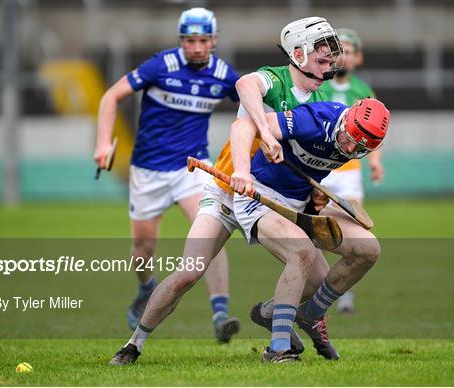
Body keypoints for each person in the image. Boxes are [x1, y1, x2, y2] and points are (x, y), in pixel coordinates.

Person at [107, 16, 344, 367]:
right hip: (227, 190)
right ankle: (134, 344)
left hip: (271, 200)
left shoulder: (323, 98)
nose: (328, 65)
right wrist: (264, 129)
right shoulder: (272, 79)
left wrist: (316, 193)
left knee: (319, 280)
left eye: (330, 60)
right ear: (297, 54)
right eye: (321, 59)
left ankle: (269, 314)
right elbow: (247, 84)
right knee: (189, 271)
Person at [93, 7, 241, 343]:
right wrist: (103, 142)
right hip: (148, 171)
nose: (198, 47)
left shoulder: (222, 74)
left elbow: (251, 100)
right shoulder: (161, 66)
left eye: (204, 40)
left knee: (210, 231)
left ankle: (220, 313)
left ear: (214, 40)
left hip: (193, 167)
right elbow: (110, 96)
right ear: (182, 41)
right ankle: (146, 287)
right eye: (191, 41)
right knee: (143, 249)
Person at [229, 98, 391, 362]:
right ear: (347, 119)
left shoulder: (351, 144)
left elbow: (312, 168)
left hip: (301, 204)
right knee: (302, 252)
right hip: (259, 196)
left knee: (368, 249)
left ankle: (309, 313)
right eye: (350, 138)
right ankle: (278, 348)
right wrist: (242, 172)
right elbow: (242, 126)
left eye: (359, 147)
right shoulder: (314, 121)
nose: (350, 148)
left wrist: (317, 191)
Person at [318, 28, 383, 314]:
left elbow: (374, 132)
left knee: (356, 229)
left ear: (358, 57)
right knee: (316, 227)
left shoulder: (363, 91)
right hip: (322, 169)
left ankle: (345, 298)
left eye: (347, 50)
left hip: (350, 170)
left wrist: (375, 161)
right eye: (337, 49)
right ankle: (318, 285)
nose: (342, 55)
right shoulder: (319, 85)